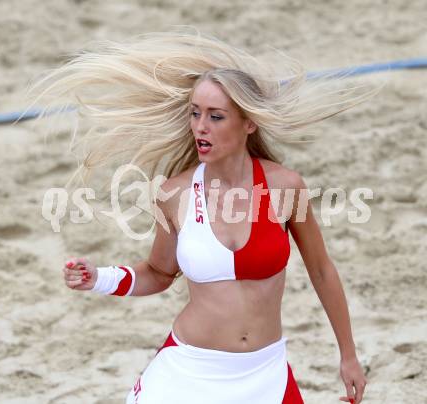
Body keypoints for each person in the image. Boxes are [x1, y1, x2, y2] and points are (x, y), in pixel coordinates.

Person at [34, 28, 371, 403]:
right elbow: (159, 272)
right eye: (195, 114)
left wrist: (348, 355)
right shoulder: (174, 194)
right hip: (189, 371)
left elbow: (322, 270)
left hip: (265, 372)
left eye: (216, 116)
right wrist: (99, 278)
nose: (200, 127)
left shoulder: (284, 187)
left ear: (249, 122)